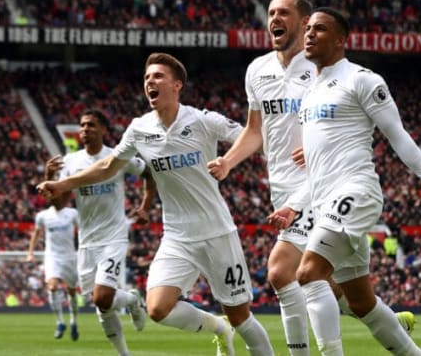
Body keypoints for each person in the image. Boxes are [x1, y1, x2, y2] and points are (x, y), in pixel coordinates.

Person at [208, 0, 414, 356]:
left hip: (321, 186)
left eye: (284, 13)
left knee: (281, 271)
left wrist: (320, 142)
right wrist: (228, 161)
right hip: (282, 188)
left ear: (305, 22)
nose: (274, 19)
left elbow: (347, 115)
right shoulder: (257, 70)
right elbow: (255, 131)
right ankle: (386, 322)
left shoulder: (319, 66)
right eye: (271, 12)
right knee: (342, 292)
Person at [38, 53, 274, 356]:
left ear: (177, 85)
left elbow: (254, 136)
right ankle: (218, 328)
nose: (150, 81)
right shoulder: (139, 128)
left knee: (241, 317)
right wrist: (62, 184)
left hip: (217, 233)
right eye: (147, 77)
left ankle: (239, 333)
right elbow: (108, 166)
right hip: (177, 237)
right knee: (158, 308)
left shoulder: (202, 120)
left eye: (158, 76)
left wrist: (229, 161)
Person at [271, 7, 421, 356]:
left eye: (320, 29)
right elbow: (319, 166)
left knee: (308, 273)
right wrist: (295, 203)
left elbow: (397, 134)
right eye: (308, 29)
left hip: (356, 192)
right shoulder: (310, 94)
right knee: (361, 302)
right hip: (325, 203)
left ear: (340, 40)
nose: (309, 34)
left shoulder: (362, 79)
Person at [40, 109, 149, 356]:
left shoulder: (118, 156)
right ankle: (127, 338)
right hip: (87, 241)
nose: (85, 129)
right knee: (102, 305)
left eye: (90, 125)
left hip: (114, 236)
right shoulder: (70, 162)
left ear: (102, 130)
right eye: (82, 126)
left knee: (102, 297)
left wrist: (145, 206)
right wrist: (50, 180)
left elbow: (148, 173)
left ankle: (132, 301)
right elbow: (60, 204)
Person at [27, 193, 81, 341]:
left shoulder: (72, 213)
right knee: (52, 287)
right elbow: (36, 233)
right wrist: (30, 252)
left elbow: (82, 231)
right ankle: (60, 322)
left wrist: (85, 249)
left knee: (71, 291)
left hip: (69, 257)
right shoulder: (43, 216)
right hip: (52, 256)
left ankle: (74, 321)